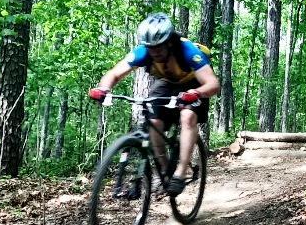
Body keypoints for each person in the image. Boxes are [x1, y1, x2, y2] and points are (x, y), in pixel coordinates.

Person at [88, 12, 219, 196]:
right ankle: (165, 171)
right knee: (153, 121)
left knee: (188, 116)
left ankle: (181, 173)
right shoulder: (144, 52)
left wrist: (196, 93)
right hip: (168, 82)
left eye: (159, 47)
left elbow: (213, 84)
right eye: (150, 47)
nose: (154, 51)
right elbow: (115, 73)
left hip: (195, 83)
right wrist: (103, 89)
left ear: (169, 42)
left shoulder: (188, 51)